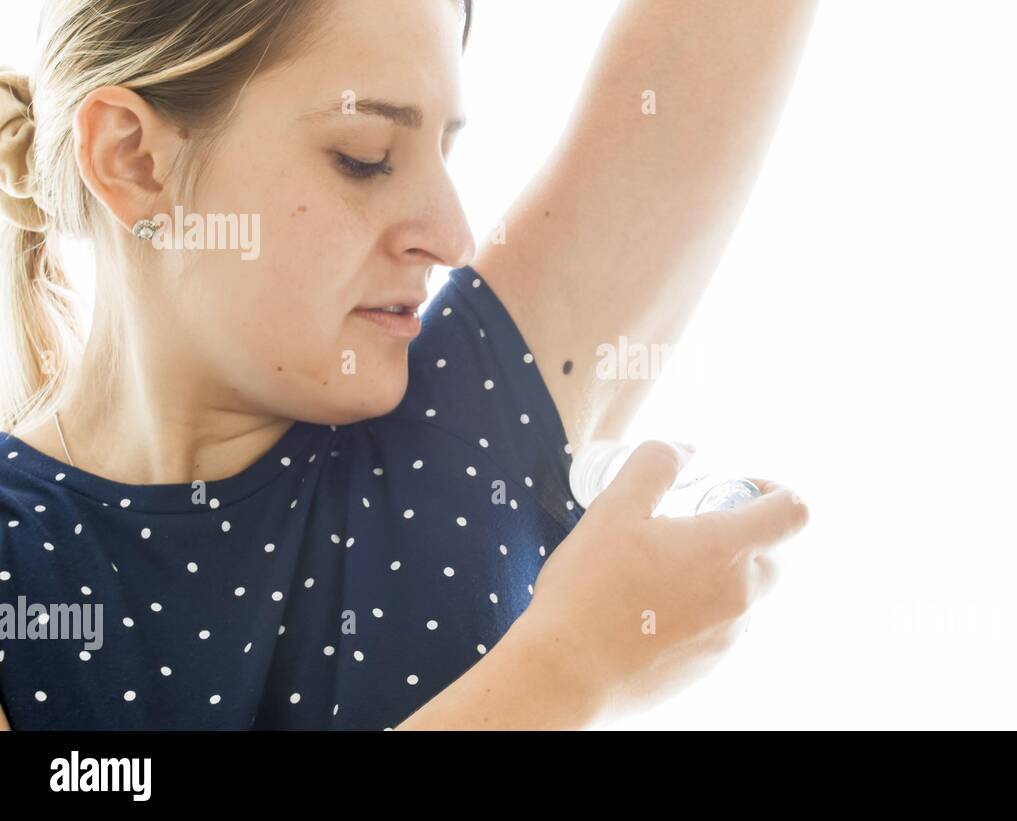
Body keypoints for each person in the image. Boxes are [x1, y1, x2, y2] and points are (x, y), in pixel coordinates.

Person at [0, 0, 815, 730]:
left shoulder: (473, 399)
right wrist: (571, 669)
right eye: (366, 156)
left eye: (443, 149)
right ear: (134, 159)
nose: (451, 236)